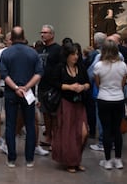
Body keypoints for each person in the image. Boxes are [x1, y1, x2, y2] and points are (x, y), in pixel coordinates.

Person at [0, 26, 43, 168]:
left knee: (11, 125)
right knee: (30, 124)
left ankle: (11, 158)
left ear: (11, 38)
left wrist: (16, 87)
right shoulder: (33, 53)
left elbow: (4, 74)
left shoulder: (6, 53)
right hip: (28, 93)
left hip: (11, 93)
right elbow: (38, 73)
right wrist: (26, 87)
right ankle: (29, 159)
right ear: (24, 37)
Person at [51, 43, 90, 173]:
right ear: (67, 55)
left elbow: (88, 83)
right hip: (66, 103)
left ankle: (76, 159)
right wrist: (70, 87)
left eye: (77, 54)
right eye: (73, 54)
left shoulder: (81, 67)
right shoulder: (60, 67)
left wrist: (82, 87)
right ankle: (71, 162)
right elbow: (55, 83)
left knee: (83, 132)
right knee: (68, 133)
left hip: (79, 103)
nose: (76, 57)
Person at [93, 40, 127, 170]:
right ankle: (118, 160)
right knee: (117, 130)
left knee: (106, 129)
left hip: (103, 98)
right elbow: (123, 83)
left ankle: (107, 160)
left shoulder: (99, 66)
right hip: (118, 99)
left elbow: (98, 84)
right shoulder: (123, 65)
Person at [37, 24, 62, 147]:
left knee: (54, 114)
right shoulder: (41, 49)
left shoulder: (57, 49)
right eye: (41, 32)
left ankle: (56, 138)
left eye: (45, 32)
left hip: (53, 86)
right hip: (42, 84)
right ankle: (48, 136)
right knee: (45, 113)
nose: (43, 35)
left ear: (52, 34)